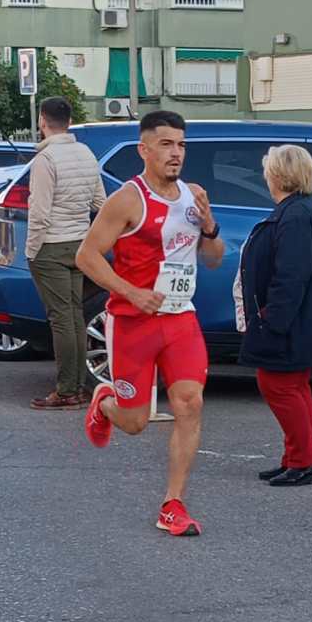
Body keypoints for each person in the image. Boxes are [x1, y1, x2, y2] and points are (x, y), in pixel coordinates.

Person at [76, 111, 225, 537]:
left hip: (180, 318)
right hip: (133, 323)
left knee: (190, 403)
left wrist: (210, 227)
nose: (176, 153)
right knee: (135, 422)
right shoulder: (127, 199)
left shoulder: (194, 196)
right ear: (144, 150)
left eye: (181, 144)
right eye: (166, 144)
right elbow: (86, 256)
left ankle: (172, 504)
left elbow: (213, 260)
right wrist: (131, 292)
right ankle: (106, 403)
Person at [234, 144, 312, 486]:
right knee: (294, 386)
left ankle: (304, 461)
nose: (265, 175)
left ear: (277, 174)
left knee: (278, 385)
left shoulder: (295, 216)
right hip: (299, 317)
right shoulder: (300, 210)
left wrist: (272, 319)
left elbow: (291, 275)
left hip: (289, 319)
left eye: (267, 169)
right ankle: (296, 458)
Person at [26, 95, 106, 410]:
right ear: (70, 121)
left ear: (42, 121)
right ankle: (77, 387)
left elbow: (39, 212)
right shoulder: (86, 153)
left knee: (61, 319)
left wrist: (32, 250)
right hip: (80, 245)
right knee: (74, 316)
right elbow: (100, 202)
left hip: (51, 246)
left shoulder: (45, 160)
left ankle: (67, 390)